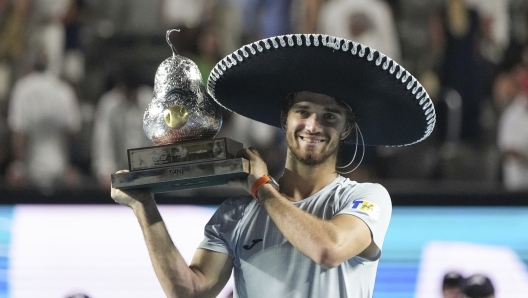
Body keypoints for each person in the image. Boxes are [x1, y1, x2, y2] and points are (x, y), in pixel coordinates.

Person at [111, 33, 435, 297]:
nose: (313, 125)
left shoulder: (365, 198)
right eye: (303, 111)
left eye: (330, 117)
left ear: (346, 128)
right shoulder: (236, 214)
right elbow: (190, 292)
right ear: (285, 118)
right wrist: (144, 208)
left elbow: (329, 249)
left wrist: (261, 188)